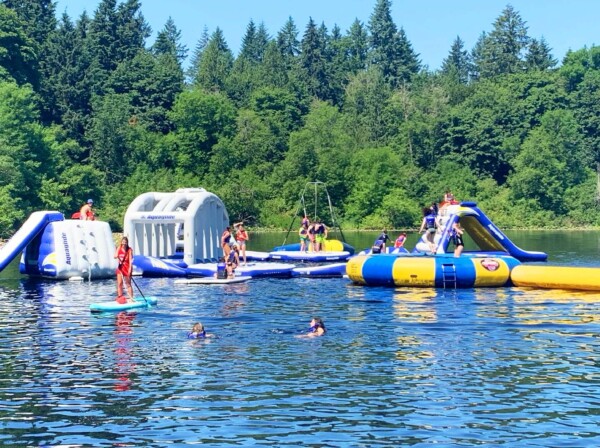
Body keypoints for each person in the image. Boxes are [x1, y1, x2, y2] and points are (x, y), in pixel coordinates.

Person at [114, 236, 134, 302]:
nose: (124, 243)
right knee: (119, 284)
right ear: (121, 242)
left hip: (127, 268)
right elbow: (115, 256)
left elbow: (130, 261)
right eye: (123, 242)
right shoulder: (119, 248)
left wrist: (129, 270)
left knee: (128, 284)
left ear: (127, 243)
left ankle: (131, 298)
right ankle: (120, 297)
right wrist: (116, 256)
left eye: (125, 242)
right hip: (120, 268)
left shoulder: (129, 250)